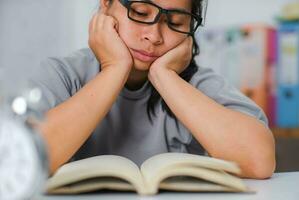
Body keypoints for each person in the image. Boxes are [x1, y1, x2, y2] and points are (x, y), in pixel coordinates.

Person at [32, 0, 275, 178]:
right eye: (139, 12)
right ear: (105, 5)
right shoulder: (64, 74)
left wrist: (164, 76)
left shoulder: (196, 85)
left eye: (175, 22)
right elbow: (29, 158)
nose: (154, 35)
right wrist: (114, 68)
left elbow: (259, 160)